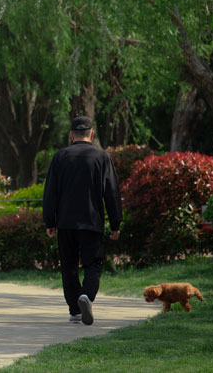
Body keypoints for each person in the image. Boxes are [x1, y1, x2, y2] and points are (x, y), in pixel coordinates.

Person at [43, 116, 122, 326]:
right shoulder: (101, 157)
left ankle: (75, 310)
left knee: (68, 266)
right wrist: (116, 223)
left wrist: (49, 221)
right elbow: (111, 193)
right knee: (93, 263)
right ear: (92, 134)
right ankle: (86, 295)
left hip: (65, 223)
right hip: (91, 221)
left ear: (71, 135)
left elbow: (50, 192)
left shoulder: (60, 157)